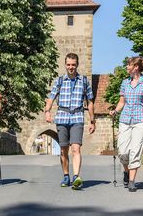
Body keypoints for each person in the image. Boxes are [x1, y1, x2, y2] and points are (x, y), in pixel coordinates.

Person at [45, 53, 95, 190]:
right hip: (62, 117)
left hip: (77, 117)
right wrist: (47, 111)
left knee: (76, 148)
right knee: (63, 150)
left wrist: (92, 120)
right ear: (65, 65)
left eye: (73, 64)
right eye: (68, 64)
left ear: (77, 65)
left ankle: (76, 177)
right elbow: (51, 98)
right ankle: (66, 176)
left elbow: (90, 102)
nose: (71, 67)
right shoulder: (60, 81)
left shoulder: (84, 81)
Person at [109, 56, 143, 192]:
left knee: (135, 150)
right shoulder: (125, 82)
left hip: (140, 120)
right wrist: (115, 111)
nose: (126, 67)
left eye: (128, 65)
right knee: (123, 152)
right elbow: (121, 102)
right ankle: (126, 171)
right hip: (125, 119)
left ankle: (131, 181)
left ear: (136, 67)